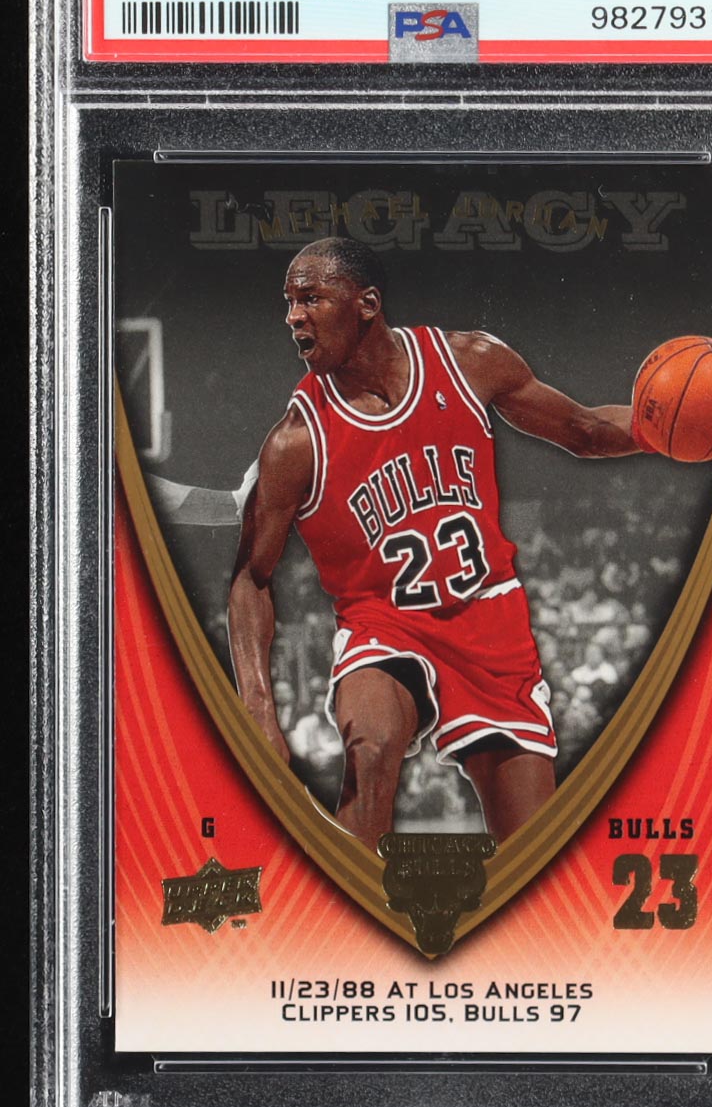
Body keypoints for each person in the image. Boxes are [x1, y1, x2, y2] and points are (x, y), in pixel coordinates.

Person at [227, 236, 652, 853]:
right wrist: (257, 708)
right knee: (371, 746)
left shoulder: (468, 361)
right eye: (289, 302)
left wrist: (673, 426)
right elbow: (251, 578)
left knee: (534, 854)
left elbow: (585, 429)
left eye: (311, 298)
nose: (294, 316)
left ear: (366, 303)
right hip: (385, 623)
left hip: (489, 621)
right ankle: (343, 907)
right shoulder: (296, 440)